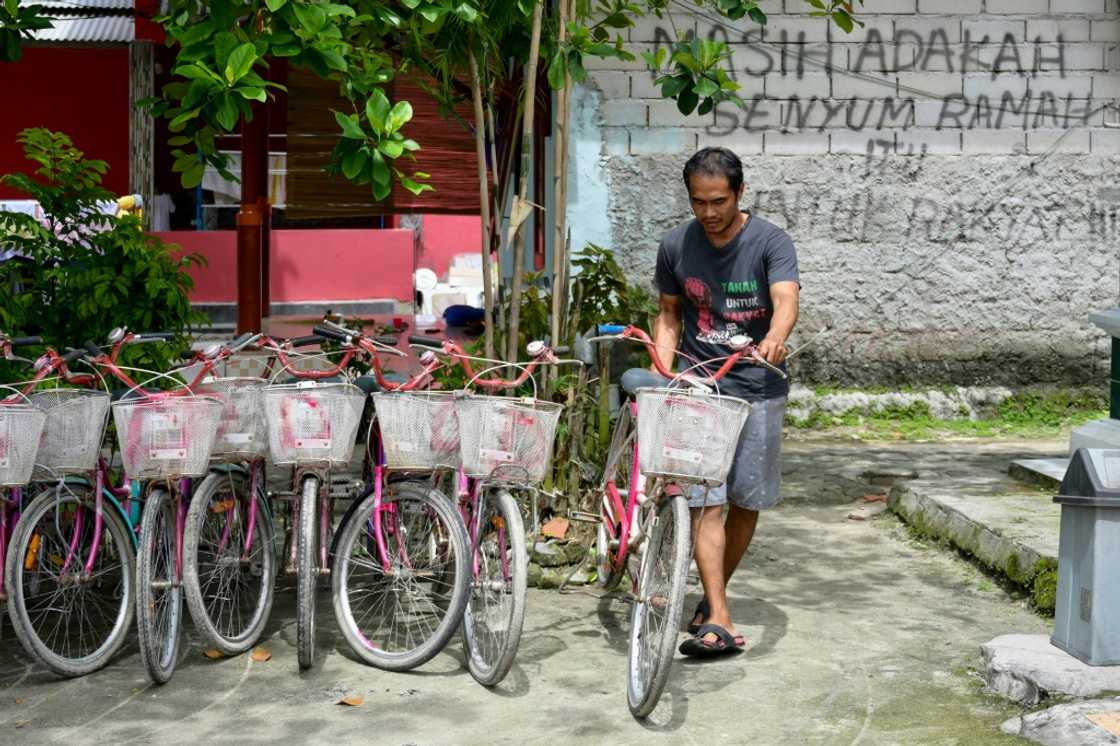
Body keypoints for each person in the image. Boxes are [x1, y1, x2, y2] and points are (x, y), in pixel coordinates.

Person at [644, 146, 799, 657]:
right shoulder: (676, 245)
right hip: (698, 384)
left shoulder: (770, 241)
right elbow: (668, 314)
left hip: (757, 384)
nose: (708, 213)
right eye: (698, 202)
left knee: (746, 503)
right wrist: (664, 372)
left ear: (739, 193)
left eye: (718, 201)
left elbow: (786, 298)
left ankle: (713, 599)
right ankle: (719, 618)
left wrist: (776, 336)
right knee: (704, 502)